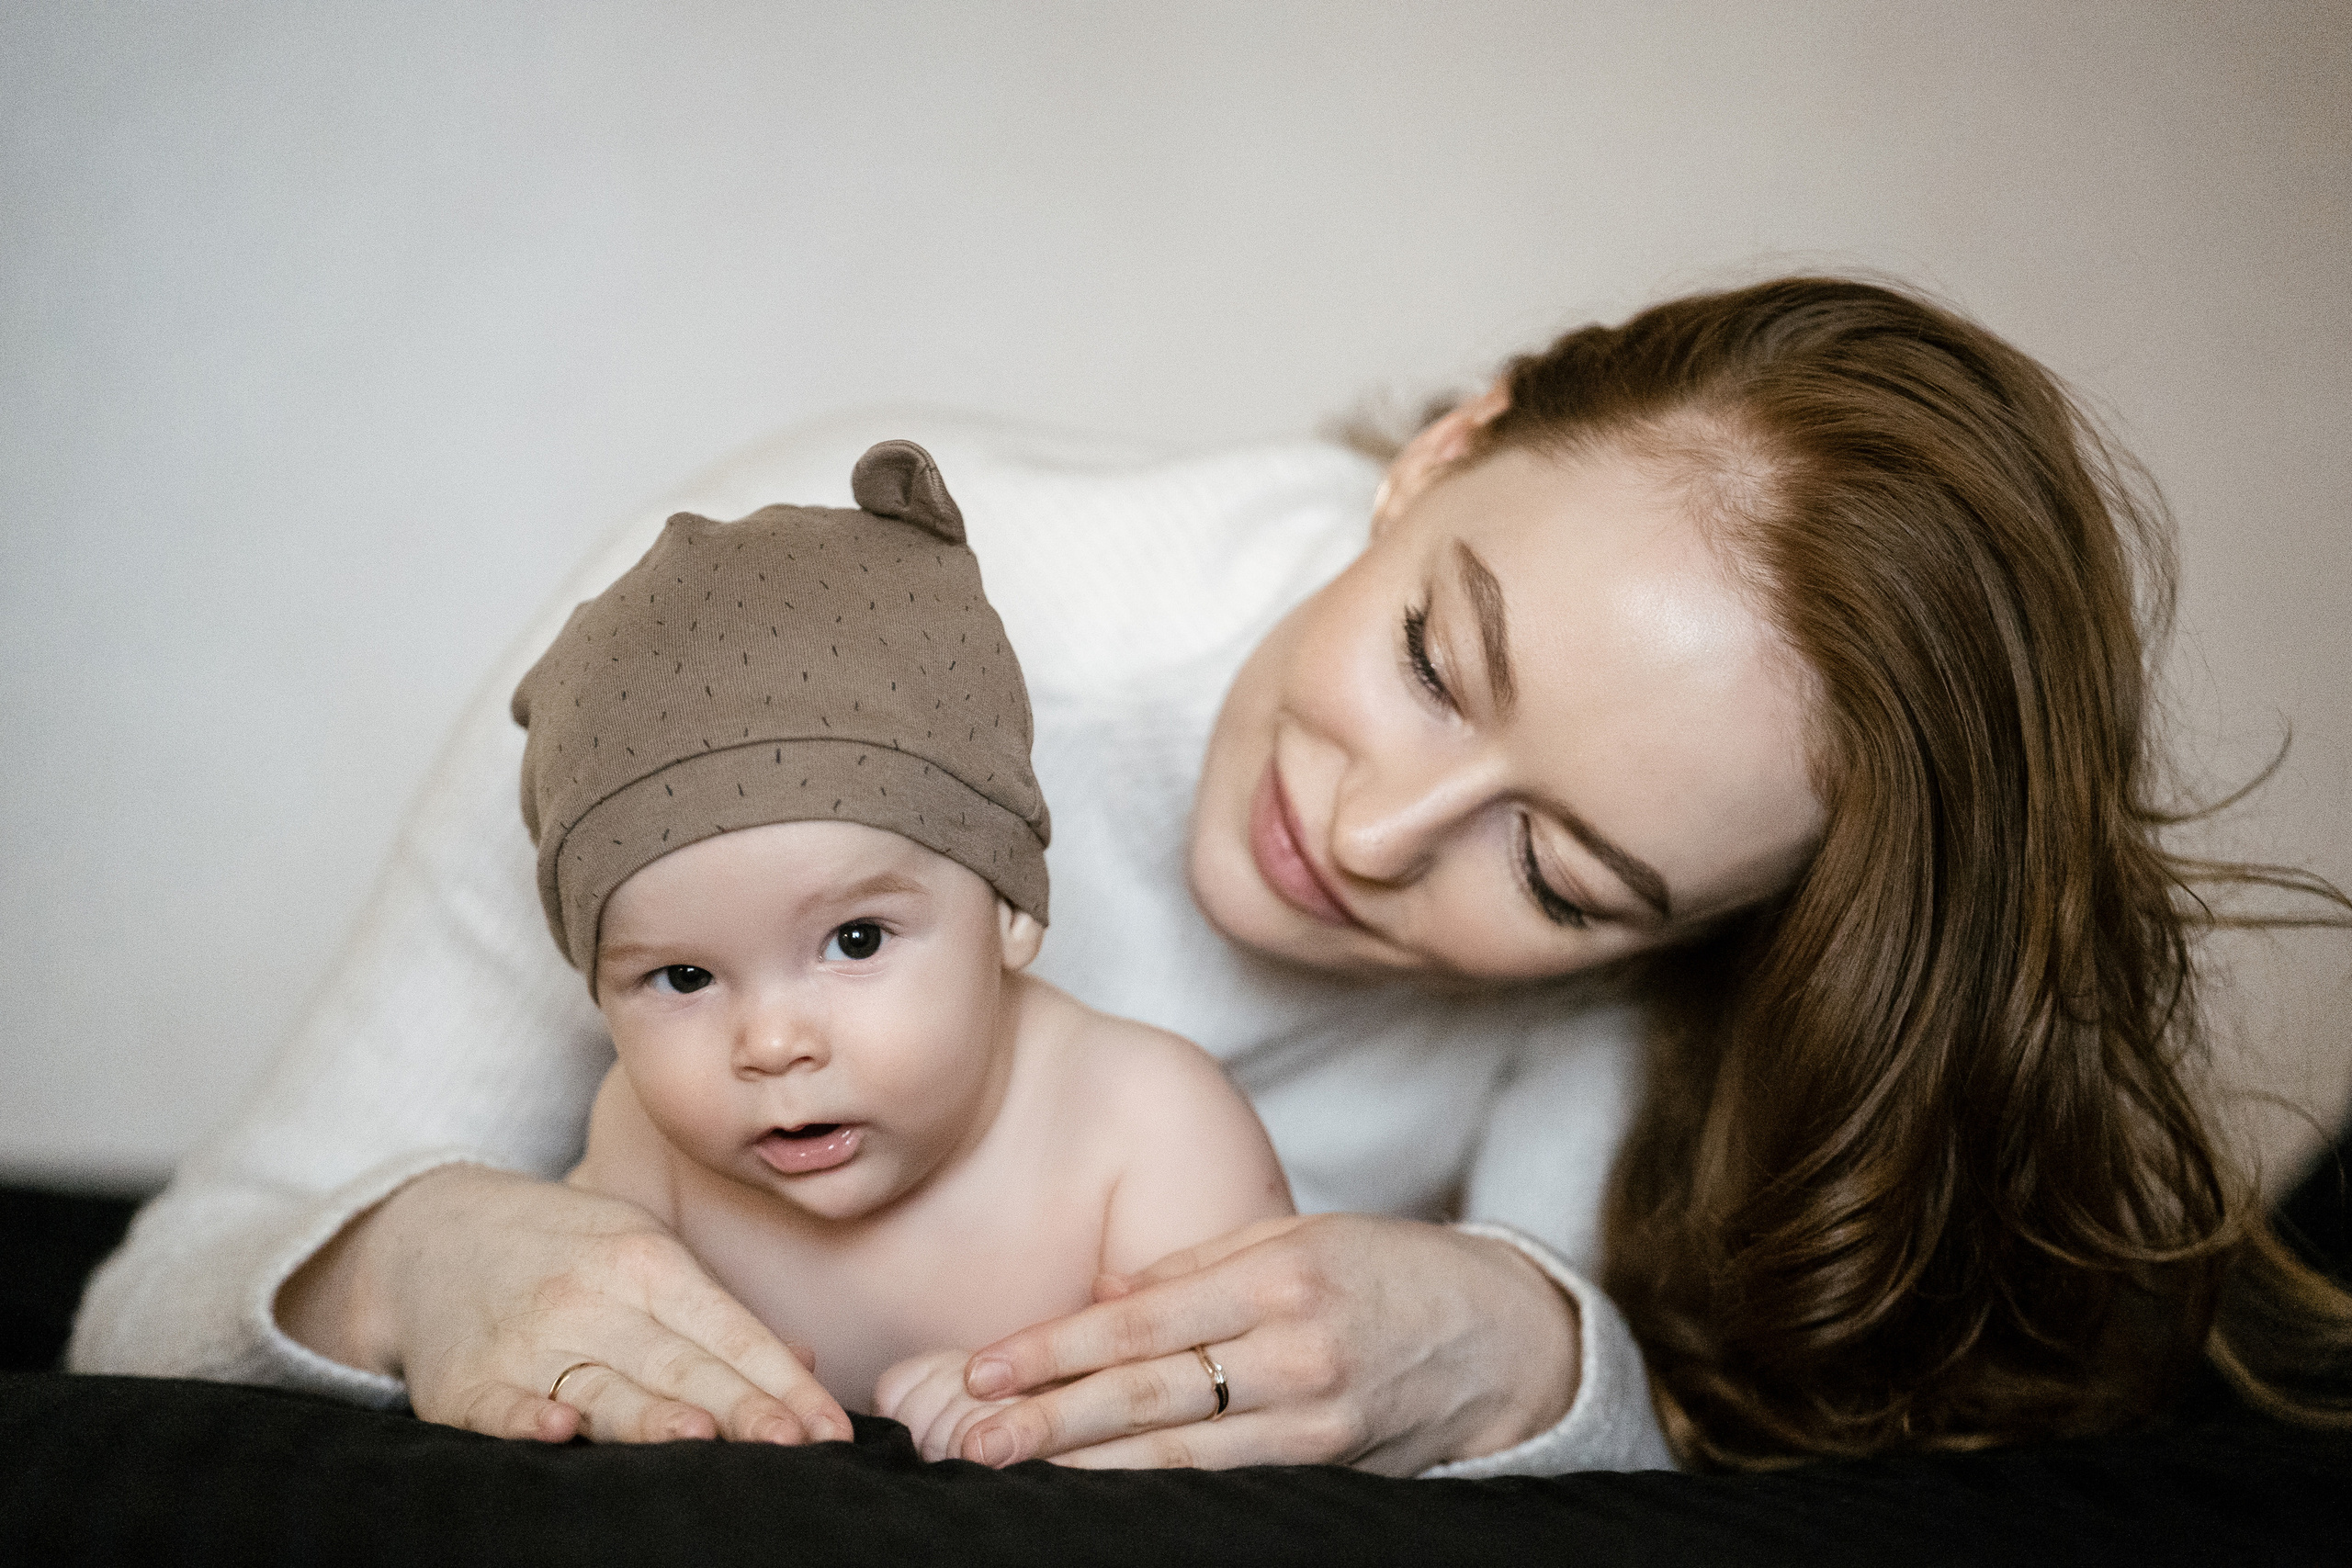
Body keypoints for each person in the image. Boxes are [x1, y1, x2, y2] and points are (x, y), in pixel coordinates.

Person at [72, 277, 2351, 1474]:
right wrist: (419, 1257)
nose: (1367, 840)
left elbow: (1647, 1411)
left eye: (1555, 872)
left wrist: (1503, 1335)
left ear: (1689, 923)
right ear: (1447, 443)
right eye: (1433, 658)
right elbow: (149, 1294)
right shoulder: (782, 627)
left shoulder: (1644, 965)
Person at [526, 438, 1292, 1442]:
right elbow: (569, 1332)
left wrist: (1056, 1408)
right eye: (682, 976)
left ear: (1013, 908)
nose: (771, 1042)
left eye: (852, 940)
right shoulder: (641, 1138)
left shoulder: (1149, 1133)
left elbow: (1260, 1417)